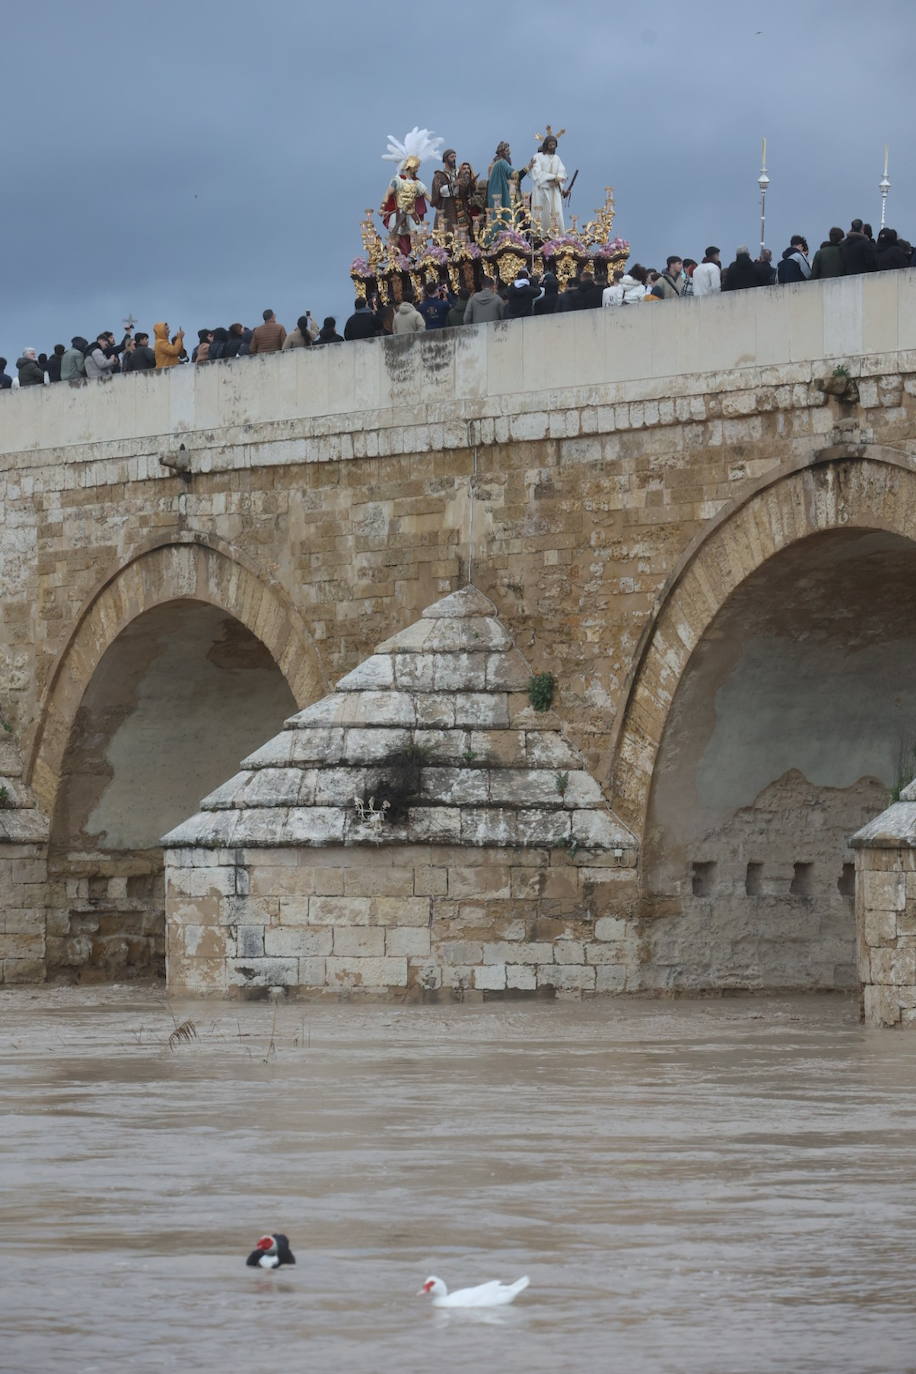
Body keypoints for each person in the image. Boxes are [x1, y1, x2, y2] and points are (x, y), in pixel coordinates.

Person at [529, 132, 567, 238]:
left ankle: (557, 236)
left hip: (554, 190)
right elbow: (537, 173)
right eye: (550, 145)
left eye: (554, 145)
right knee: (541, 214)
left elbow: (562, 172)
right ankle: (539, 236)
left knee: (556, 212)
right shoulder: (538, 156)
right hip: (541, 190)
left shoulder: (557, 158)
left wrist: (558, 180)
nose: (552, 147)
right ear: (546, 145)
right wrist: (553, 177)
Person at [486, 141, 526, 233]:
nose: (509, 153)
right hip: (503, 196)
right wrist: (528, 167)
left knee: (496, 219)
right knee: (508, 218)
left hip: (495, 197)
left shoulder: (494, 164)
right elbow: (516, 175)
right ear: (501, 152)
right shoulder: (502, 163)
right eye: (507, 150)